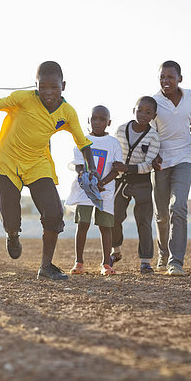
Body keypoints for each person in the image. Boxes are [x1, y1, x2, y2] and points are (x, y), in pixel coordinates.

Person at [0, 61, 100, 280]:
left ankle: (45, 266)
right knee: (11, 221)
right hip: (9, 164)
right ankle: (12, 234)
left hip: (37, 164)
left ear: (63, 85)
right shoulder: (23, 99)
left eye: (54, 87)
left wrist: (91, 169)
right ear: (36, 85)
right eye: (43, 87)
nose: (48, 92)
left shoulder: (67, 112)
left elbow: (83, 143)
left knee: (54, 213)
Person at [151, 60, 191, 276]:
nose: (166, 81)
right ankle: (163, 254)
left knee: (178, 207)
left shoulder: (190, 96)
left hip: (184, 157)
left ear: (180, 78)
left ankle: (176, 261)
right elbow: (148, 131)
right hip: (161, 160)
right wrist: (152, 156)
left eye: (170, 77)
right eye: (162, 77)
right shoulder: (153, 102)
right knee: (162, 214)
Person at [65, 105, 122, 276]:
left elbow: (117, 168)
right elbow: (79, 166)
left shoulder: (113, 143)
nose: (98, 122)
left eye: (102, 119)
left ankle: (106, 263)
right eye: (94, 119)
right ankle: (79, 262)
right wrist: (86, 179)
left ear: (109, 122)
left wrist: (102, 182)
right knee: (83, 224)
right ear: (88, 120)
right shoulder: (81, 139)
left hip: (105, 191)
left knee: (105, 226)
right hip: (85, 190)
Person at [110, 97, 160, 274]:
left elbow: (149, 164)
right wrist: (119, 169)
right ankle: (115, 251)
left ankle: (145, 261)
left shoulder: (153, 136)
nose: (143, 115)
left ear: (154, 115)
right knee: (114, 217)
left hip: (142, 182)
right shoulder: (121, 129)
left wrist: (129, 167)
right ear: (134, 110)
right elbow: (115, 153)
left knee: (144, 221)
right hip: (120, 180)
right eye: (140, 110)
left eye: (148, 112)